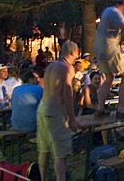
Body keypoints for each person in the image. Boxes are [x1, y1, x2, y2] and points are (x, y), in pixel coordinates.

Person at [37, 41, 80, 181]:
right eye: (77, 51)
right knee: (60, 154)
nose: (78, 54)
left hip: (42, 107)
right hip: (54, 111)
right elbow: (67, 93)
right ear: (72, 52)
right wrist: (72, 118)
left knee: (44, 150)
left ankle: (43, 178)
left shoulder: (51, 65)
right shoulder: (67, 67)